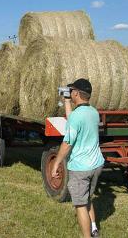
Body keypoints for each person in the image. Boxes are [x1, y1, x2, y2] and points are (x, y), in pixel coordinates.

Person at [51, 78, 105, 238]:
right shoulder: (93, 112)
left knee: (80, 204)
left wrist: (56, 163)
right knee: (87, 198)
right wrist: (67, 102)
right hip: (96, 164)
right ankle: (94, 228)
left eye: (71, 92)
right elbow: (73, 119)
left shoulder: (77, 117)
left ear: (76, 93)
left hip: (81, 168)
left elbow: (67, 143)